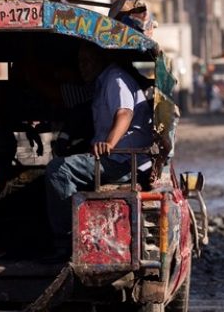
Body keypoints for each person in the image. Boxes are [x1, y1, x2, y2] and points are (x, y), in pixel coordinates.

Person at [45, 41, 153, 257]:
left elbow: (124, 113)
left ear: (102, 59)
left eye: (87, 61)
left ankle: (66, 242)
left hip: (122, 162)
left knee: (58, 170)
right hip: (118, 160)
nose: (82, 67)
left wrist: (109, 144)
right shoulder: (101, 84)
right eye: (79, 62)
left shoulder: (115, 79)